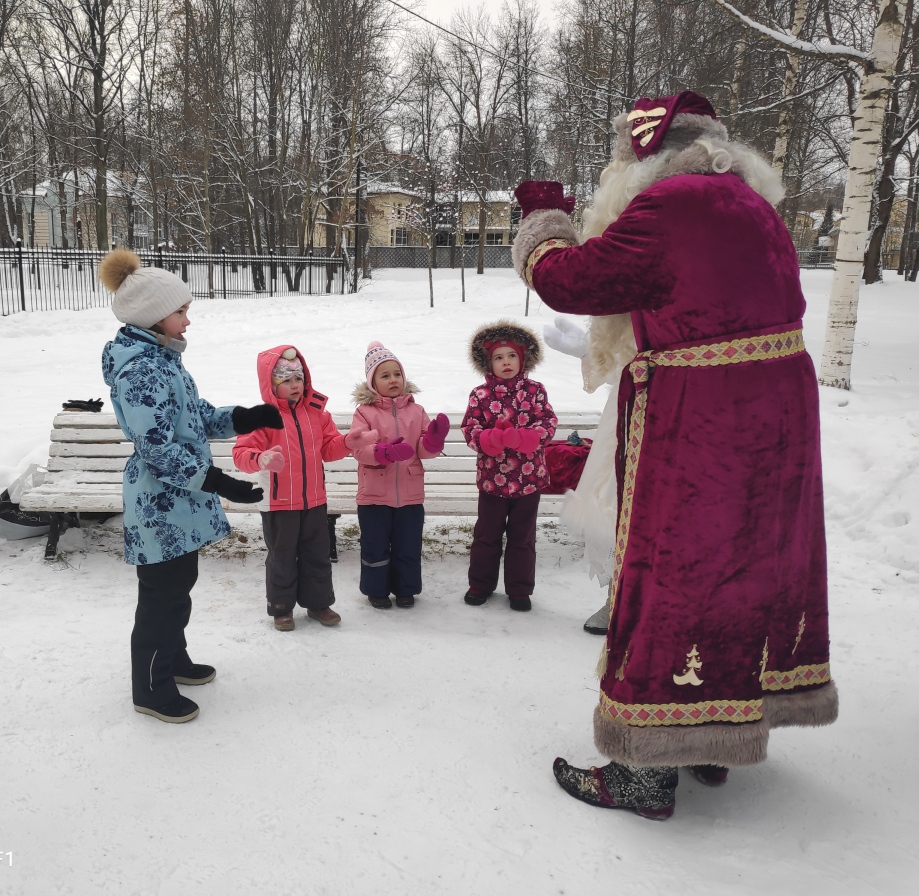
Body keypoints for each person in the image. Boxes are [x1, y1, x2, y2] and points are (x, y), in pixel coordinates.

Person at [511, 90, 837, 819]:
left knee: (671, 573)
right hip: (774, 413)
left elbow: (573, 280)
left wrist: (542, 220)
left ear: (642, 158)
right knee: (743, 574)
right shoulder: (749, 203)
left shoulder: (670, 205)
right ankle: (714, 742)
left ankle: (641, 771)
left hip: (703, 418)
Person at [100, 249, 283, 724]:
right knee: (161, 596)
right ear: (152, 316)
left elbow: (195, 417)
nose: (188, 320)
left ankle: (174, 660)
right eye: (181, 312)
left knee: (179, 587)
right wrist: (219, 481)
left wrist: (242, 417)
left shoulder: (164, 358)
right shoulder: (141, 369)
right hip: (161, 505)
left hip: (180, 502)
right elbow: (157, 448)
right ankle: (151, 688)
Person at [233, 345, 375, 631]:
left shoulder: (317, 414)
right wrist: (261, 458)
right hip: (278, 502)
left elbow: (328, 448)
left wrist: (347, 443)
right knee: (282, 557)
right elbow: (241, 455)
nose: (295, 385)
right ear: (272, 385)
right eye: (286, 380)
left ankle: (319, 603)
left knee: (316, 554)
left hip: (314, 499)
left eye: (298, 378)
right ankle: (281, 608)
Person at [461, 321, 557, 612]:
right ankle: (480, 584)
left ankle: (519, 589)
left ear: (522, 358)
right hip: (492, 481)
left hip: (529, 482)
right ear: (489, 363)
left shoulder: (535, 391)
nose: (506, 362)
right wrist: (489, 439)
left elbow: (547, 424)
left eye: (511, 356)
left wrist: (524, 437)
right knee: (487, 536)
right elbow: (470, 428)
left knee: (522, 539)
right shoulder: (480, 395)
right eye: (499, 357)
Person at [348, 341, 449, 609]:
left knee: (408, 544)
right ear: (372, 383)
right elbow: (359, 449)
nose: (393, 379)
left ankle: (406, 589)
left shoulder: (417, 411)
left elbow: (423, 450)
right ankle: (376, 590)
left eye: (397, 374)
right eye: (385, 375)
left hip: (410, 495)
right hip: (374, 496)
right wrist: (384, 453)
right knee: (375, 545)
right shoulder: (364, 412)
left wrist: (434, 441)